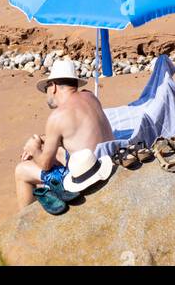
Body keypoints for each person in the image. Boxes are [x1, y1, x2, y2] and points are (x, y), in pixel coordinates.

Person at [14, 58, 114, 212]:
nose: (46, 92)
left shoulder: (57, 116)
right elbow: (73, 133)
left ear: (53, 86)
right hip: (104, 160)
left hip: (85, 175)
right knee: (59, 152)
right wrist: (42, 140)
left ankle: (24, 222)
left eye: (46, 87)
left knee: (21, 170)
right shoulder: (90, 97)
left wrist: (34, 149)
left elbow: (45, 165)